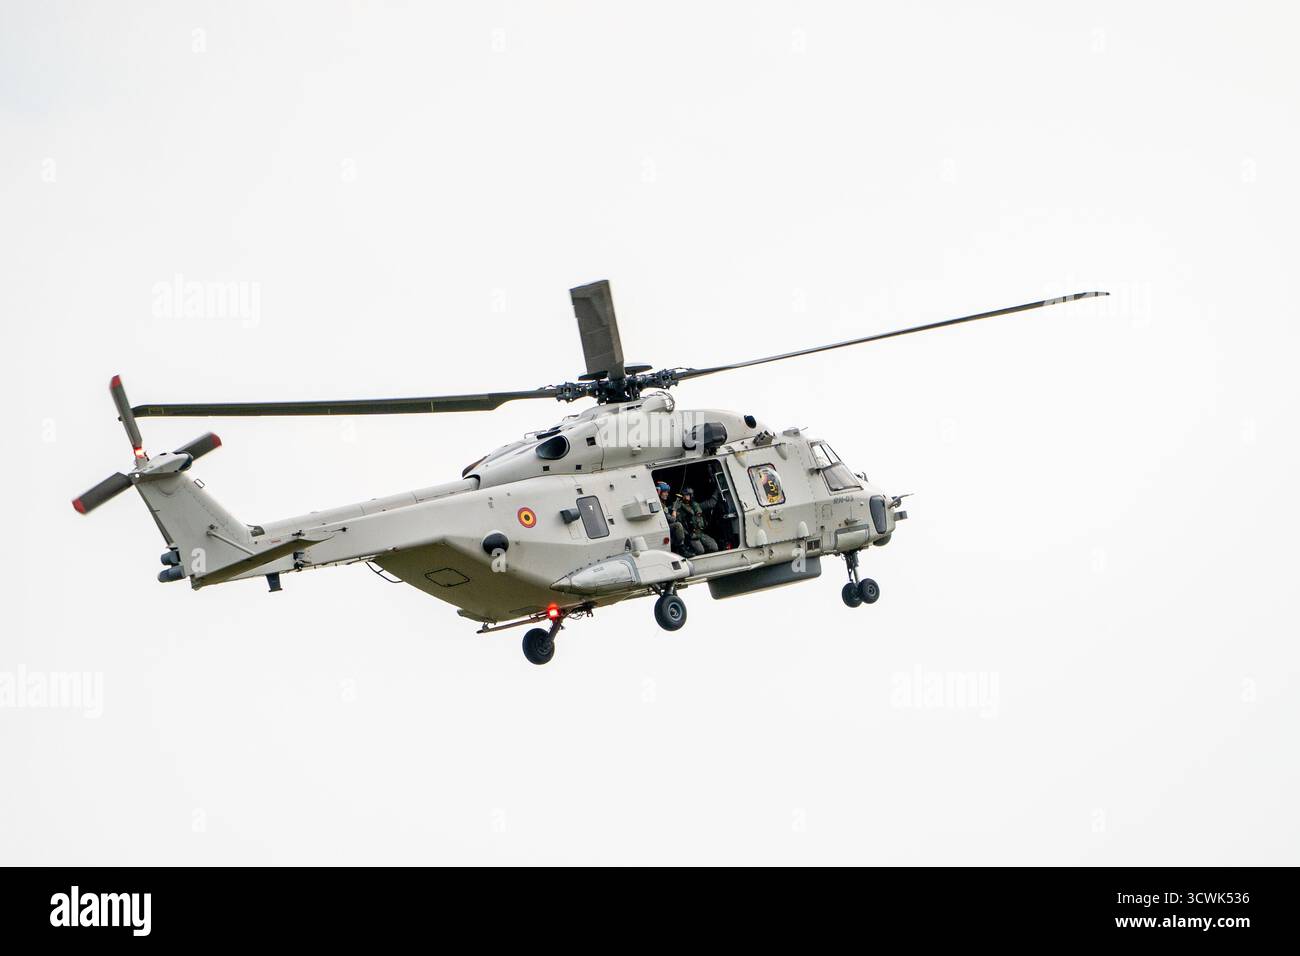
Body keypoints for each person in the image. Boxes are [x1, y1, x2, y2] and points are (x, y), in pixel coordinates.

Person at [675, 485, 720, 556]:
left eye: (688, 495)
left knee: (714, 547)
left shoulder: (697, 506)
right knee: (700, 550)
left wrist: (718, 489)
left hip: (700, 533)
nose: (687, 497)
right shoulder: (679, 510)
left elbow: (711, 503)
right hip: (690, 536)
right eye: (685, 495)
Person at [657, 481, 686, 553]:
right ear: (659, 492)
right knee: (678, 525)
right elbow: (672, 519)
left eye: (667, 492)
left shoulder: (661, 502)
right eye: (665, 492)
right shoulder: (661, 504)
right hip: (662, 527)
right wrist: (675, 508)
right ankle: (681, 548)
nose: (667, 494)